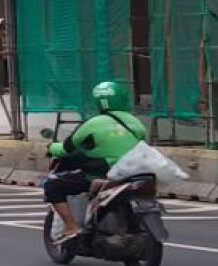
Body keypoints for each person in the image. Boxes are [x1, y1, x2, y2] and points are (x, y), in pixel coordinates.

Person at [44, 81, 146, 243]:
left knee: (52, 185)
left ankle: (71, 226)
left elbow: (67, 148)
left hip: (105, 172)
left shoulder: (93, 123)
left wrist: (51, 147)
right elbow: (143, 145)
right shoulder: (136, 122)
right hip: (135, 171)